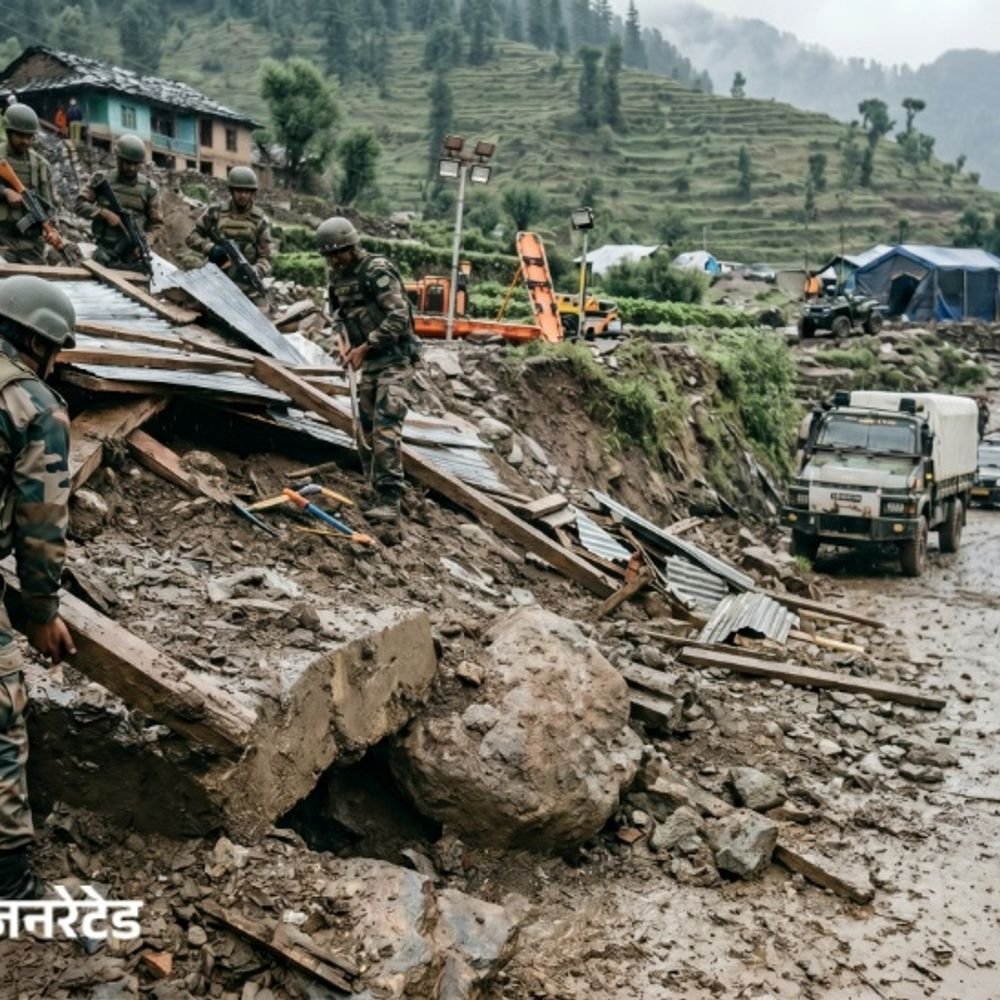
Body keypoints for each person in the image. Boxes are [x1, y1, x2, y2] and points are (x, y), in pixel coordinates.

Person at [0, 275, 77, 900]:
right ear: (37, 340)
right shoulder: (33, 404)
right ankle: (12, 884)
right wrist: (40, 610)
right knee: (3, 716)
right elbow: (41, 518)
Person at [316, 216, 421, 542]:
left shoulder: (376, 271)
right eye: (329, 257)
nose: (334, 261)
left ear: (351, 246)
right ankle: (373, 489)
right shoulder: (338, 278)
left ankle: (390, 502)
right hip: (369, 361)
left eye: (338, 254)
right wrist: (343, 342)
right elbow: (337, 315)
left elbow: (399, 317)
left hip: (396, 359)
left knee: (387, 424)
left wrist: (367, 345)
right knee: (366, 428)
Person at [75, 133, 162, 272]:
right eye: (128, 163)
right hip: (104, 252)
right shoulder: (101, 180)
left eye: (136, 164)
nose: (132, 168)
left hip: (133, 257)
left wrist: (146, 243)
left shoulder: (149, 188)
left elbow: (157, 225)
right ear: (118, 159)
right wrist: (103, 213)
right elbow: (79, 205)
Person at [185, 166, 272, 301]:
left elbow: (266, 257)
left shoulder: (260, 221)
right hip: (215, 281)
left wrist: (257, 270)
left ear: (252, 193)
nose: (242, 195)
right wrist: (210, 248)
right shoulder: (215, 213)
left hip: (247, 288)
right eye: (238, 190)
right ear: (231, 191)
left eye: (246, 191)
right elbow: (191, 237)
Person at [0, 104, 58, 265]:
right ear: (9, 132)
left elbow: (48, 204)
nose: (25, 141)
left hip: (31, 246)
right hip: (2, 241)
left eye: (29, 136)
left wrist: (51, 227)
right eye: (20, 135)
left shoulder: (40, 165)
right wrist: (5, 192)